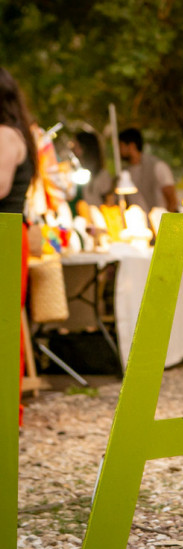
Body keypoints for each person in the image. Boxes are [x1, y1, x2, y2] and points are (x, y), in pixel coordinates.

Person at [0, 67, 38, 426]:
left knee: (4, 327)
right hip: (9, 235)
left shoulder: (5, 134)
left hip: (5, 237)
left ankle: (8, 414)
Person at [118, 127, 178, 212]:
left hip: (159, 222)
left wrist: (165, 223)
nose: (118, 151)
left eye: (121, 146)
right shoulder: (125, 172)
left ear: (131, 146)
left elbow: (172, 200)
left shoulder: (157, 166)